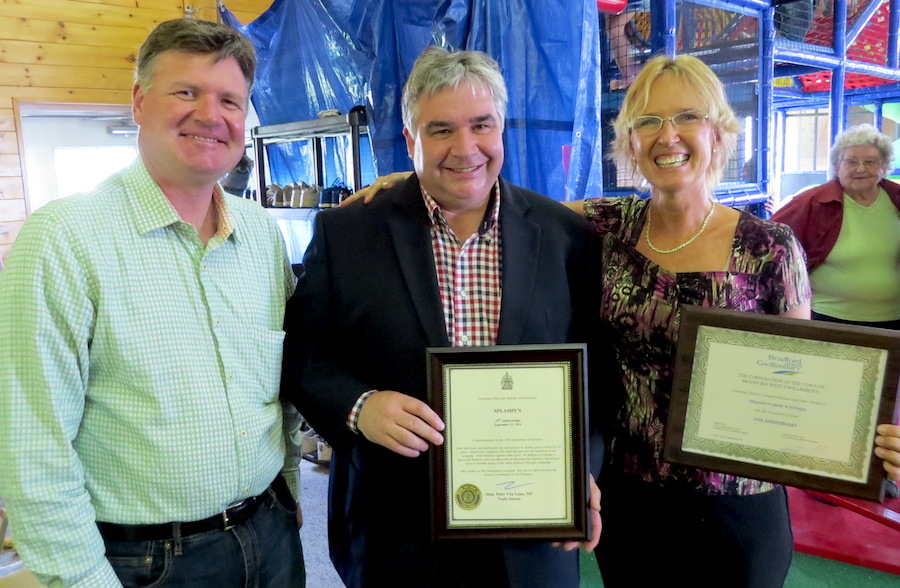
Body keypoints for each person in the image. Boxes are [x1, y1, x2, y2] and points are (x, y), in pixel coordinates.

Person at [350, 54, 900, 587]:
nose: (669, 135)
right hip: (632, 499)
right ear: (630, 141)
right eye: (649, 121)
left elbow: (811, 383)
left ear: (718, 133)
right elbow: (497, 199)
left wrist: (870, 440)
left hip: (740, 503)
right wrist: (419, 177)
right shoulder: (606, 226)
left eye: (688, 116)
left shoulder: (769, 248)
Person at [283, 46, 603, 588]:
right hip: (394, 533)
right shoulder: (348, 233)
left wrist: (582, 467)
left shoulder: (566, 237)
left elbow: (597, 373)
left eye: (481, 125)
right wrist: (360, 407)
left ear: (501, 128)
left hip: (528, 534)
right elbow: (302, 355)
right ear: (410, 141)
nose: (465, 148)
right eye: (440, 130)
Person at [0, 19, 304, 587]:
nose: (211, 115)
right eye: (186, 92)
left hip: (272, 534)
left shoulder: (262, 235)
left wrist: (287, 491)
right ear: (139, 101)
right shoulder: (64, 239)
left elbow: (278, 390)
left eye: (230, 100)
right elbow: (31, 449)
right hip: (148, 564)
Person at [771, 124, 900, 330]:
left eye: (870, 162)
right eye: (851, 162)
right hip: (829, 319)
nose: (860, 169)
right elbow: (769, 241)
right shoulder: (812, 202)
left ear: (884, 166)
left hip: (894, 321)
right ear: (837, 167)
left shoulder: (896, 198)